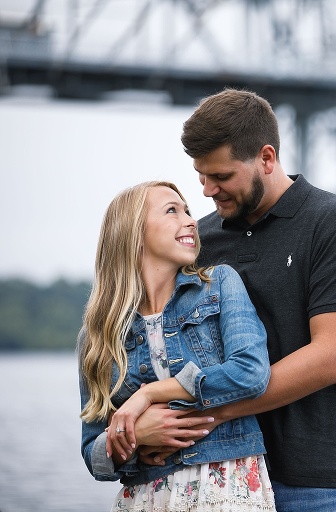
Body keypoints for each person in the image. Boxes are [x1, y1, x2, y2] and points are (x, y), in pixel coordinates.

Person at [133, 88, 336, 511]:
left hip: (319, 480)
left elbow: (332, 358)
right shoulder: (199, 241)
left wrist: (207, 413)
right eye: (201, 175)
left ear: (266, 159)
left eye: (222, 176)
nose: (208, 190)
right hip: (221, 479)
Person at [78, 181, 277, 511]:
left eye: (188, 211)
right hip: (145, 498)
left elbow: (251, 372)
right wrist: (137, 435)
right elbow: (93, 454)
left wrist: (149, 396)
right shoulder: (97, 335)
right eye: (172, 210)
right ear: (132, 231)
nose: (190, 221)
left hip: (226, 490)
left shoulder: (220, 285)